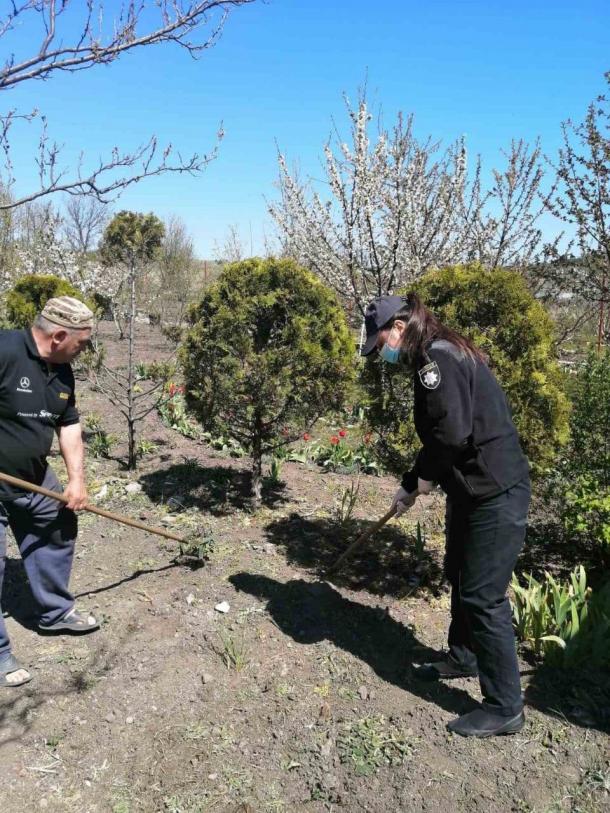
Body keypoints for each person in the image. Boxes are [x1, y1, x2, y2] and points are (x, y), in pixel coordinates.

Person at [361, 292, 530, 738]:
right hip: (470, 488)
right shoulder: (432, 353)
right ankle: (463, 657)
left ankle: (505, 706)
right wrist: (413, 480)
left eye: (380, 345)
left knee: (483, 596)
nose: (382, 355)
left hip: (496, 492)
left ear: (398, 328)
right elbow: (442, 435)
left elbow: (451, 436)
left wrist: (420, 481)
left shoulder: (437, 361)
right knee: (458, 573)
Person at [0, 296, 99, 689]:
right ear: (59, 335)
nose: (85, 350)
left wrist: (76, 480)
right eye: (83, 342)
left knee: (57, 520)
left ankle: (54, 612)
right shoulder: (5, 350)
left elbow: (69, 425)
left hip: (33, 476)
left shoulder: (62, 371)